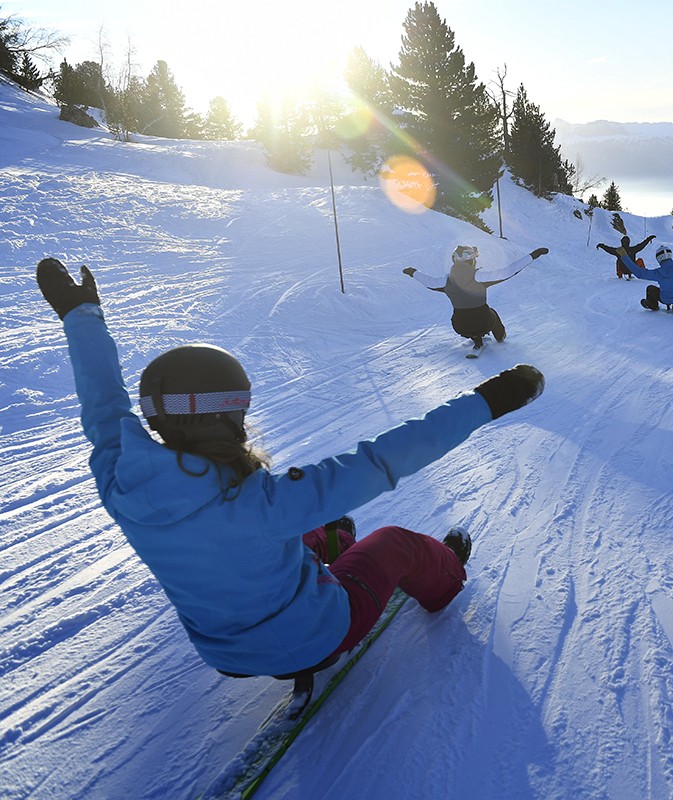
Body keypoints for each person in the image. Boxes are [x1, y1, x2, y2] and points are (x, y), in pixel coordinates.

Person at [35, 257, 545, 681]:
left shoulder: (119, 476)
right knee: (395, 542)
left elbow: (104, 408)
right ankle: (446, 576)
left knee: (313, 530)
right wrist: (489, 400)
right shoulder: (267, 502)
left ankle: (335, 542)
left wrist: (80, 316)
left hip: (222, 656)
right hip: (316, 640)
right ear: (231, 411)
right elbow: (386, 457)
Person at [403, 244, 549, 353]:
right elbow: (508, 272)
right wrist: (533, 255)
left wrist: (412, 272)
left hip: (459, 327)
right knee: (490, 312)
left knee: (468, 316)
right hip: (484, 323)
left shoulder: (446, 281)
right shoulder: (478, 277)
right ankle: (500, 336)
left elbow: (428, 282)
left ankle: (477, 339)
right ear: (472, 261)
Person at [619, 243, 673, 313]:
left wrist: (624, 256)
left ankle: (653, 306)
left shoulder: (658, 273)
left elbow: (639, 273)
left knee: (650, 288)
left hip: (666, 299)